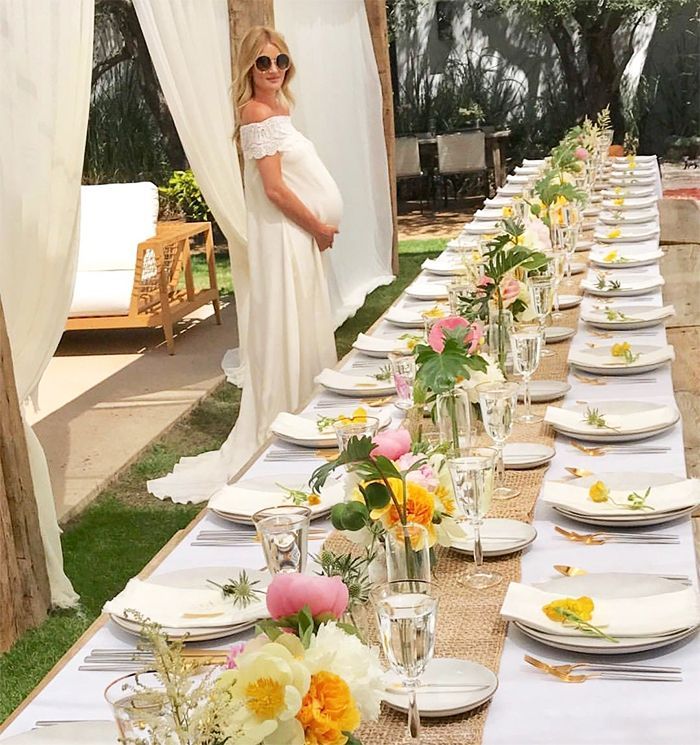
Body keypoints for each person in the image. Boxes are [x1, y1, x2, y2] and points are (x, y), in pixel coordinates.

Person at [148, 26, 341, 503]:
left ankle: (306, 408)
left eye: (280, 61)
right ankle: (287, 414)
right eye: (263, 63)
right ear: (248, 69)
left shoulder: (280, 109)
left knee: (303, 317)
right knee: (286, 320)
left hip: (296, 236)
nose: (274, 70)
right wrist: (317, 225)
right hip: (284, 237)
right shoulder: (256, 113)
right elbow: (274, 190)